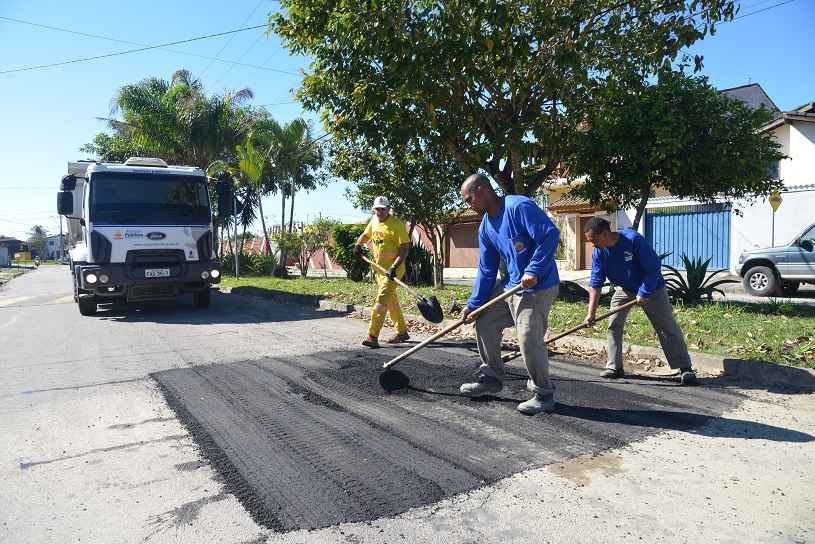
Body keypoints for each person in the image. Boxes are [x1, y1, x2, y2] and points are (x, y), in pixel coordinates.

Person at [458, 173, 561, 415]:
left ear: (482, 191)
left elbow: (549, 235)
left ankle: (543, 394)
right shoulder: (486, 226)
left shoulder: (518, 206)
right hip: (512, 285)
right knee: (484, 319)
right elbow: (486, 268)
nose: (468, 205)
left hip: (539, 286)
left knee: (527, 335)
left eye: (468, 199)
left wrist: (534, 269)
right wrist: (474, 304)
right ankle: (491, 376)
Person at [581, 217, 697, 385]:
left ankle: (685, 368)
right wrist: (590, 313)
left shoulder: (633, 240)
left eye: (595, 240)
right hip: (624, 289)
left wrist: (644, 292)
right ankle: (614, 367)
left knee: (666, 327)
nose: (593, 244)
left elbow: (653, 268)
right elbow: (596, 283)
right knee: (614, 324)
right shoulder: (599, 252)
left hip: (652, 288)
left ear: (605, 234)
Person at [354, 196, 411, 348]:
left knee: (381, 300)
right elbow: (366, 235)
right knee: (391, 301)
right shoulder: (373, 220)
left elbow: (405, 249)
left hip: (394, 270)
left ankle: (372, 336)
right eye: (377, 209)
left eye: (382, 209)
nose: (379, 211)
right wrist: (359, 244)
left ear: (388, 209)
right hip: (379, 270)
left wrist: (393, 267)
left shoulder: (396, 225)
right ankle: (402, 332)